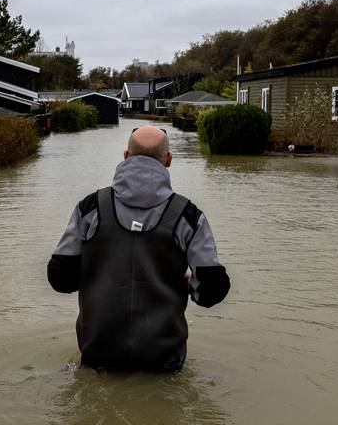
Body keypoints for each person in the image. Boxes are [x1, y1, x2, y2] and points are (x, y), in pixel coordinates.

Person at [47, 125, 231, 372]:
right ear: (168, 160)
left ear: (126, 156)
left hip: (98, 356)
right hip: (163, 361)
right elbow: (212, 291)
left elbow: (61, 279)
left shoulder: (90, 208)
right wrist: (189, 282)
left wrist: (99, 272)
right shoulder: (188, 215)